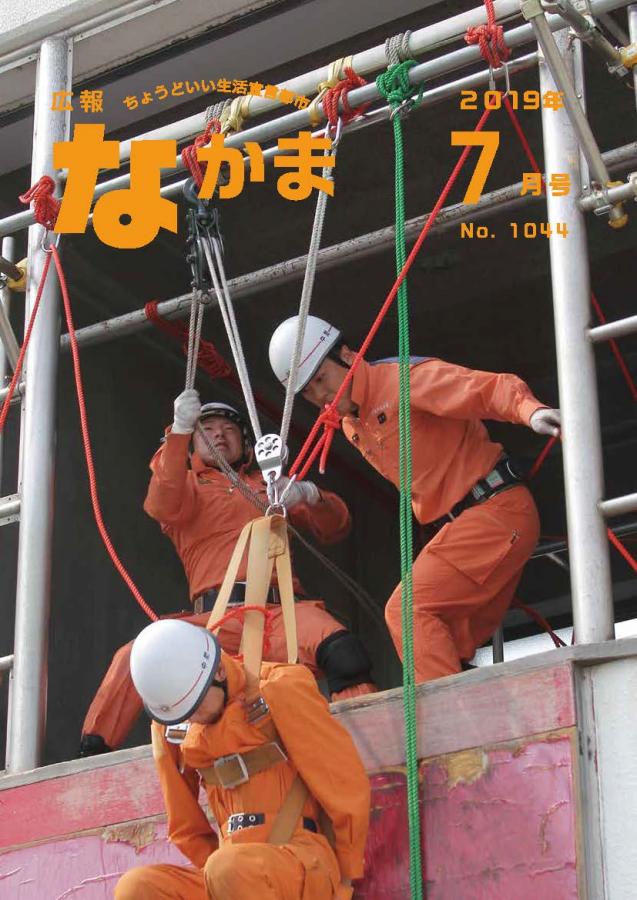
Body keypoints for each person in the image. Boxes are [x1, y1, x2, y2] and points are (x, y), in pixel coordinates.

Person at [80, 392, 375, 757]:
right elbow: (162, 498)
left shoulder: (266, 489)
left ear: (245, 443)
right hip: (219, 621)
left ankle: (368, 751)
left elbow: (335, 529)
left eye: (229, 428)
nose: (219, 434)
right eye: (207, 430)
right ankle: (90, 755)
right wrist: (179, 433)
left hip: (282, 614)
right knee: (135, 657)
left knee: (344, 653)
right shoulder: (187, 486)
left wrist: (311, 495)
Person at [269, 315, 561, 683]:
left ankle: (447, 728)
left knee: (408, 612)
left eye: (321, 380)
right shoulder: (350, 424)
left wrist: (529, 411)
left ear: (346, 355)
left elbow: (482, 389)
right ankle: (472, 723)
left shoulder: (402, 379)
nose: (320, 396)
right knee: (440, 642)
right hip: (469, 524)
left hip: (495, 510)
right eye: (308, 393)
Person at [114, 619, 370, 900]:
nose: (192, 718)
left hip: (300, 863)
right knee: (137, 888)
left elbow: (344, 784)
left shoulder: (278, 688)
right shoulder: (173, 728)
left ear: (220, 671)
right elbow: (184, 825)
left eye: (197, 706)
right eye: (183, 713)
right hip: (232, 873)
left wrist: (346, 879)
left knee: (229, 868)